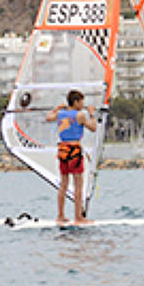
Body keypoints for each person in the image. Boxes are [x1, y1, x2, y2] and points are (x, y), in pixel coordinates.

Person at [46, 90, 97, 225]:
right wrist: (91, 114)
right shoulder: (80, 115)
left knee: (63, 185)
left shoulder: (60, 114)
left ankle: (60, 215)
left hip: (62, 150)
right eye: (81, 102)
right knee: (78, 185)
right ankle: (78, 217)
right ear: (75, 102)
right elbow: (93, 128)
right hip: (74, 150)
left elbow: (48, 117)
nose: (83, 104)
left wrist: (57, 108)